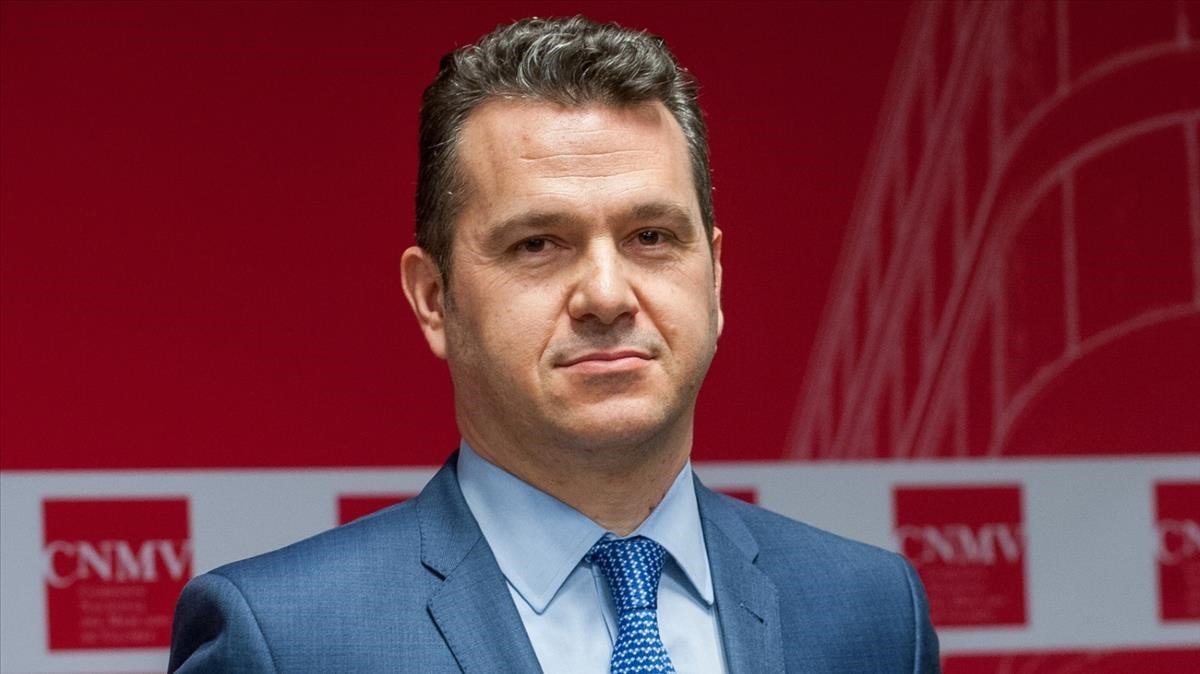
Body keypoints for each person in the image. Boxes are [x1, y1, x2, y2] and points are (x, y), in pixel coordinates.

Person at [168, 16, 939, 673]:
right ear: (433, 299)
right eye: (538, 243)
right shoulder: (287, 641)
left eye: (651, 236)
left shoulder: (873, 613)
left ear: (714, 278)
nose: (606, 295)